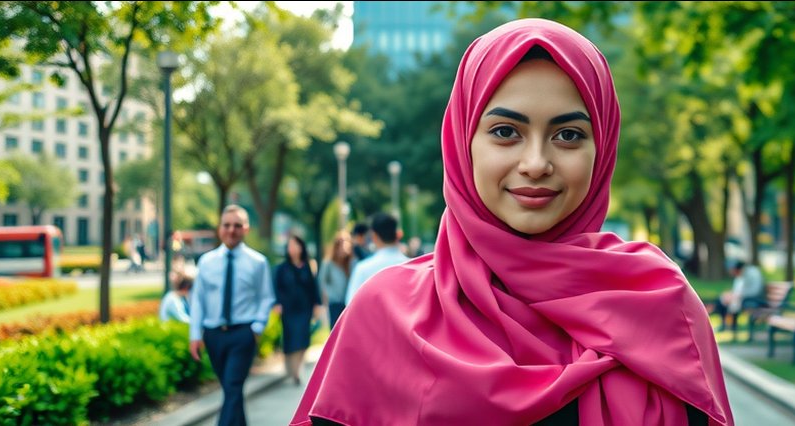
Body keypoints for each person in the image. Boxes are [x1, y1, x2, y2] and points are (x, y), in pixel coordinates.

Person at [292, 19, 733, 425]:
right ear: (464, 142)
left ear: (602, 149)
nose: (536, 163)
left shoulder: (661, 304)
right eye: (506, 131)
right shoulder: (383, 314)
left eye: (569, 135)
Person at [189, 205, 276, 426]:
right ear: (220, 229)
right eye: (227, 225)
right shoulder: (206, 262)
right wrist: (194, 334)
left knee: (233, 386)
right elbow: (198, 300)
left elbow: (266, 298)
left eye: (237, 225)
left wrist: (256, 328)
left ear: (246, 229)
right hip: (213, 335)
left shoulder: (258, 263)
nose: (231, 230)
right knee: (231, 391)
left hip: (243, 334)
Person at [274, 234, 322, 386]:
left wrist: (317, 304)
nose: (293, 248)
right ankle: (291, 368)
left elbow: (314, 287)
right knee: (290, 338)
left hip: (304, 308)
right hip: (288, 308)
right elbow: (276, 287)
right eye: (290, 246)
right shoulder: (282, 268)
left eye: (296, 245)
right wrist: (277, 304)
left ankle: (297, 369)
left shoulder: (308, 266)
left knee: (303, 339)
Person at [341, 213, 411, 304]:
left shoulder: (363, 269)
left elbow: (350, 305)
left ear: (373, 236)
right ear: (399, 234)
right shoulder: (411, 267)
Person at [712, 260, 766, 332]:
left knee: (730, 302)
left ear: (738, 269)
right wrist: (731, 295)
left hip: (754, 300)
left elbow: (755, 291)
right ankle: (725, 325)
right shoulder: (742, 274)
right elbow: (737, 290)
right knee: (720, 300)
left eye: (734, 271)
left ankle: (731, 326)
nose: (734, 274)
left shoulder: (753, 273)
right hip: (744, 298)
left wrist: (737, 296)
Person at [317, 231, 354, 330]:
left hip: (348, 304)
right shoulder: (328, 264)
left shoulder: (351, 263)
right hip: (334, 304)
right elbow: (322, 283)